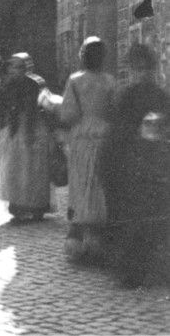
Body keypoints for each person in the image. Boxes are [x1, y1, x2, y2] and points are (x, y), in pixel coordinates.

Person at [99, 44, 170, 288]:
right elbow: (118, 133)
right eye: (138, 69)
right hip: (131, 166)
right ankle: (131, 269)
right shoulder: (132, 95)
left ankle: (139, 269)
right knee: (134, 220)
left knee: (144, 219)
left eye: (146, 69)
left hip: (147, 166)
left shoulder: (157, 96)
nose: (142, 74)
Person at [60, 36, 116, 263]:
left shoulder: (75, 81)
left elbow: (68, 114)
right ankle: (99, 241)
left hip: (82, 139)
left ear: (83, 56)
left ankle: (79, 240)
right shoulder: (110, 82)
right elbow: (114, 111)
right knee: (100, 187)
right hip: (104, 137)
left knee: (81, 186)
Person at [0, 52, 60, 222]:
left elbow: (39, 105)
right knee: (17, 168)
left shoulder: (35, 82)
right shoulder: (11, 83)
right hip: (17, 128)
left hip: (33, 127)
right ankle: (18, 205)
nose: (13, 69)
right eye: (11, 65)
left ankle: (36, 206)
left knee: (34, 169)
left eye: (17, 66)